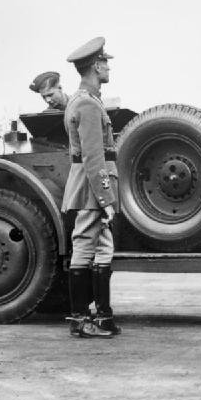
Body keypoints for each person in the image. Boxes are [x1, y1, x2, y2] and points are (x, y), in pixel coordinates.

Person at [62, 37, 121, 338]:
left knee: (102, 247)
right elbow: (93, 156)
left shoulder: (89, 99)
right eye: (106, 62)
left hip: (94, 185)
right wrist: (106, 198)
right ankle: (81, 319)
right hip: (91, 187)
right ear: (96, 66)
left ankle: (101, 317)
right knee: (85, 245)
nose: (109, 66)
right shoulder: (86, 103)